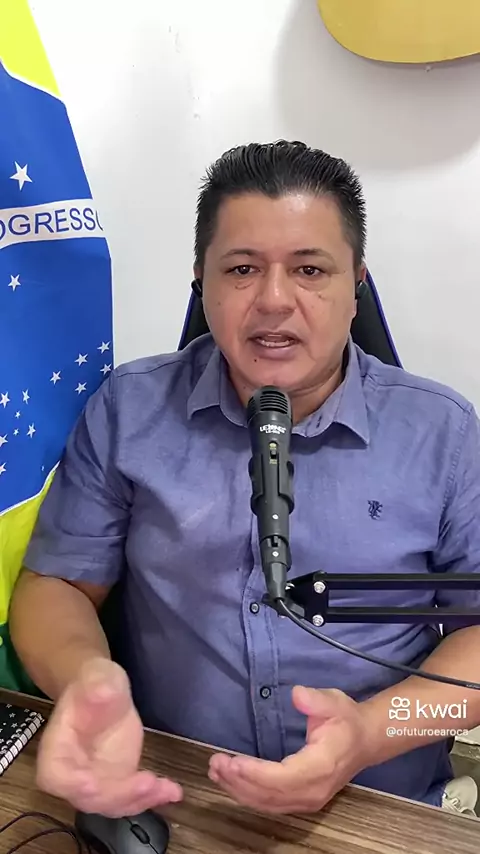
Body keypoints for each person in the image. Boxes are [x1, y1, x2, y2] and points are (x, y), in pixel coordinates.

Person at [9, 140, 480, 820]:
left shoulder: (443, 432)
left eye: (310, 269)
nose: (274, 300)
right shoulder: (129, 409)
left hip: (379, 804)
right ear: (201, 282)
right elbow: (57, 585)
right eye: (242, 269)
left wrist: (369, 735)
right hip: (171, 793)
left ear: (356, 286)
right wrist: (84, 681)